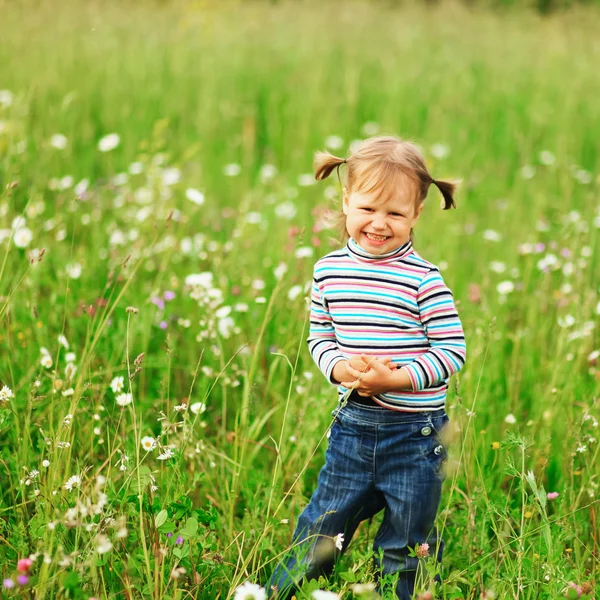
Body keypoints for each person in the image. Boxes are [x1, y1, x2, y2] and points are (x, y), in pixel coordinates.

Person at [267, 136, 467, 599]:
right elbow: (321, 338)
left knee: (406, 543)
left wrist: (393, 379)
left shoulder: (424, 280)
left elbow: (451, 351)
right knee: (320, 530)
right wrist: (338, 369)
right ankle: (280, 595)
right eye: (367, 209)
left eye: (395, 214)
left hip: (415, 436)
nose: (379, 224)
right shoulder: (328, 271)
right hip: (353, 430)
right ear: (346, 201)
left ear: (416, 213)